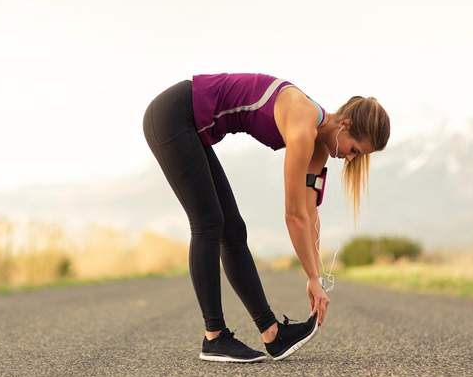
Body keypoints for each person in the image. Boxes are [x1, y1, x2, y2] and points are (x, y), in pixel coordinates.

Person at [141, 73, 390, 362]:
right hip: (172, 115)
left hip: (188, 123)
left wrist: (317, 277)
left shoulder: (319, 141)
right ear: (344, 125)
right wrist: (310, 277)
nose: (350, 159)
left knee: (233, 230)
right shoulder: (303, 128)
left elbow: (310, 212)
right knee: (208, 222)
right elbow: (294, 215)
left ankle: (272, 333)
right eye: (354, 151)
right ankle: (214, 336)